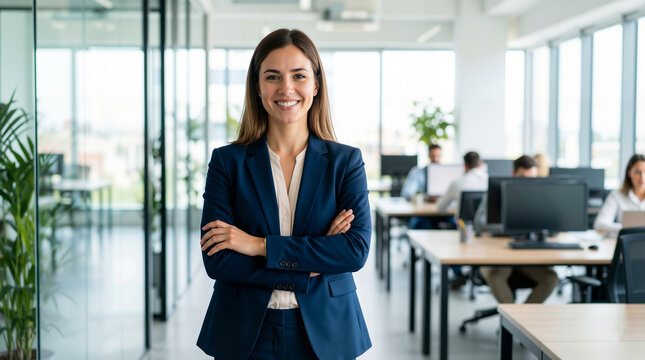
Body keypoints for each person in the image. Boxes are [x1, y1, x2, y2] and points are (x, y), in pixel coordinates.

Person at [197, 29, 371, 360]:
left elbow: (354, 250)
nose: (286, 88)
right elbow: (217, 258)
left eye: (299, 76)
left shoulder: (345, 162)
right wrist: (313, 264)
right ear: (258, 88)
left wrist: (255, 245)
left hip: (328, 330)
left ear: (316, 85)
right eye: (273, 76)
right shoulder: (227, 162)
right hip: (244, 332)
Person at [474, 155, 560, 304]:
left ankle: (522, 319)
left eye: (531, 178)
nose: (526, 183)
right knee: (496, 275)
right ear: (513, 174)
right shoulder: (496, 189)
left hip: (526, 255)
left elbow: (554, 225)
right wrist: (510, 226)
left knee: (550, 278)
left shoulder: (539, 196)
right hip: (498, 255)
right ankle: (511, 321)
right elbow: (479, 222)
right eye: (522, 177)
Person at [594, 154, 645, 234]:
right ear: (629, 173)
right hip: (627, 242)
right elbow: (600, 224)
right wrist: (625, 228)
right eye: (638, 172)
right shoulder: (616, 195)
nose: (642, 177)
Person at [435, 151, 488, 219]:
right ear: (481, 164)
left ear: (465, 166)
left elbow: (440, 208)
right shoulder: (490, 182)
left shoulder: (456, 183)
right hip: (484, 227)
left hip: (463, 226)